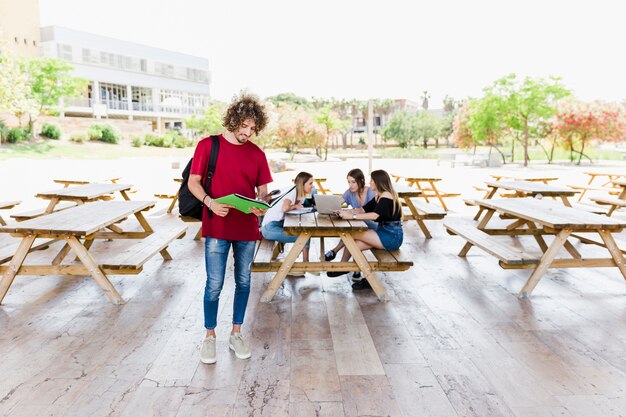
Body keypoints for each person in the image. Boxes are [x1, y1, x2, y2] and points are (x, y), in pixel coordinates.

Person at [188, 93, 272, 365]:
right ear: (233, 120)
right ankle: (210, 336)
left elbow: (263, 193)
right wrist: (210, 203)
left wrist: (262, 205)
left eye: (253, 129)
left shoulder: (258, 154)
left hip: (246, 228)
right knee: (214, 284)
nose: (248, 133)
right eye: (244, 126)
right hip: (216, 225)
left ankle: (236, 333)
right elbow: (194, 182)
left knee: (244, 282)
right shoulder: (207, 146)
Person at [327, 170, 404, 290]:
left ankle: (344, 266)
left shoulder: (387, 196)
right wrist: (344, 212)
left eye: (372, 180)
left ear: (378, 182)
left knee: (352, 233)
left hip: (392, 236)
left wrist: (351, 217)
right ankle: (354, 271)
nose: (370, 182)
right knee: (355, 245)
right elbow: (362, 210)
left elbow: (374, 216)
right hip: (383, 232)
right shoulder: (379, 196)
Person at [324, 169, 376, 282]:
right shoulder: (349, 192)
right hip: (358, 223)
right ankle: (355, 269)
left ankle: (336, 253)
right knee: (352, 233)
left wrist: (351, 212)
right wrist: (331, 208)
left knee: (353, 233)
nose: (351, 185)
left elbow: (372, 213)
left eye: (353, 182)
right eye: (348, 182)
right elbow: (337, 203)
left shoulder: (370, 192)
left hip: (373, 225)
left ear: (361, 180)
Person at [261, 172, 315, 275]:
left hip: (277, 224)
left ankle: (303, 265)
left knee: (305, 235)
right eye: (310, 183)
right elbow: (285, 208)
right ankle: (302, 266)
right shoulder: (293, 192)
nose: (312, 186)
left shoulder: (300, 195)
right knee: (304, 237)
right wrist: (294, 206)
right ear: (302, 184)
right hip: (269, 228)